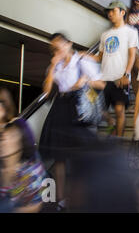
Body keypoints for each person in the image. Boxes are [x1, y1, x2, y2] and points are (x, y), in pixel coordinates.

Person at [39, 33, 105, 211]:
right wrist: (52, 66)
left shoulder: (82, 60)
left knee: (79, 154)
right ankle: (61, 199)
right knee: (59, 157)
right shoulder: (56, 65)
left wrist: (85, 81)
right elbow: (46, 92)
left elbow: (102, 84)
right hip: (60, 106)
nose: (57, 49)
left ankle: (81, 197)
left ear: (69, 44)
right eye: (54, 47)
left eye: (60, 44)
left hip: (76, 107)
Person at [88, 1, 139, 137]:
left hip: (119, 78)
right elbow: (99, 57)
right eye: (108, 12)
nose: (110, 14)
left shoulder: (131, 32)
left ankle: (119, 141)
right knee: (96, 107)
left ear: (122, 12)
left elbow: (132, 55)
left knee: (119, 110)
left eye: (113, 11)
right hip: (104, 78)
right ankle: (111, 123)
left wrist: (126, 74)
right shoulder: (105, 35)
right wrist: (83, 56)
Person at [0, 118, 47, 213]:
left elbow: (36, 206)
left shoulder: (29, 173)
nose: (4, 139)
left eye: (12, 136)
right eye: (2, 136)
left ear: (20, 144)